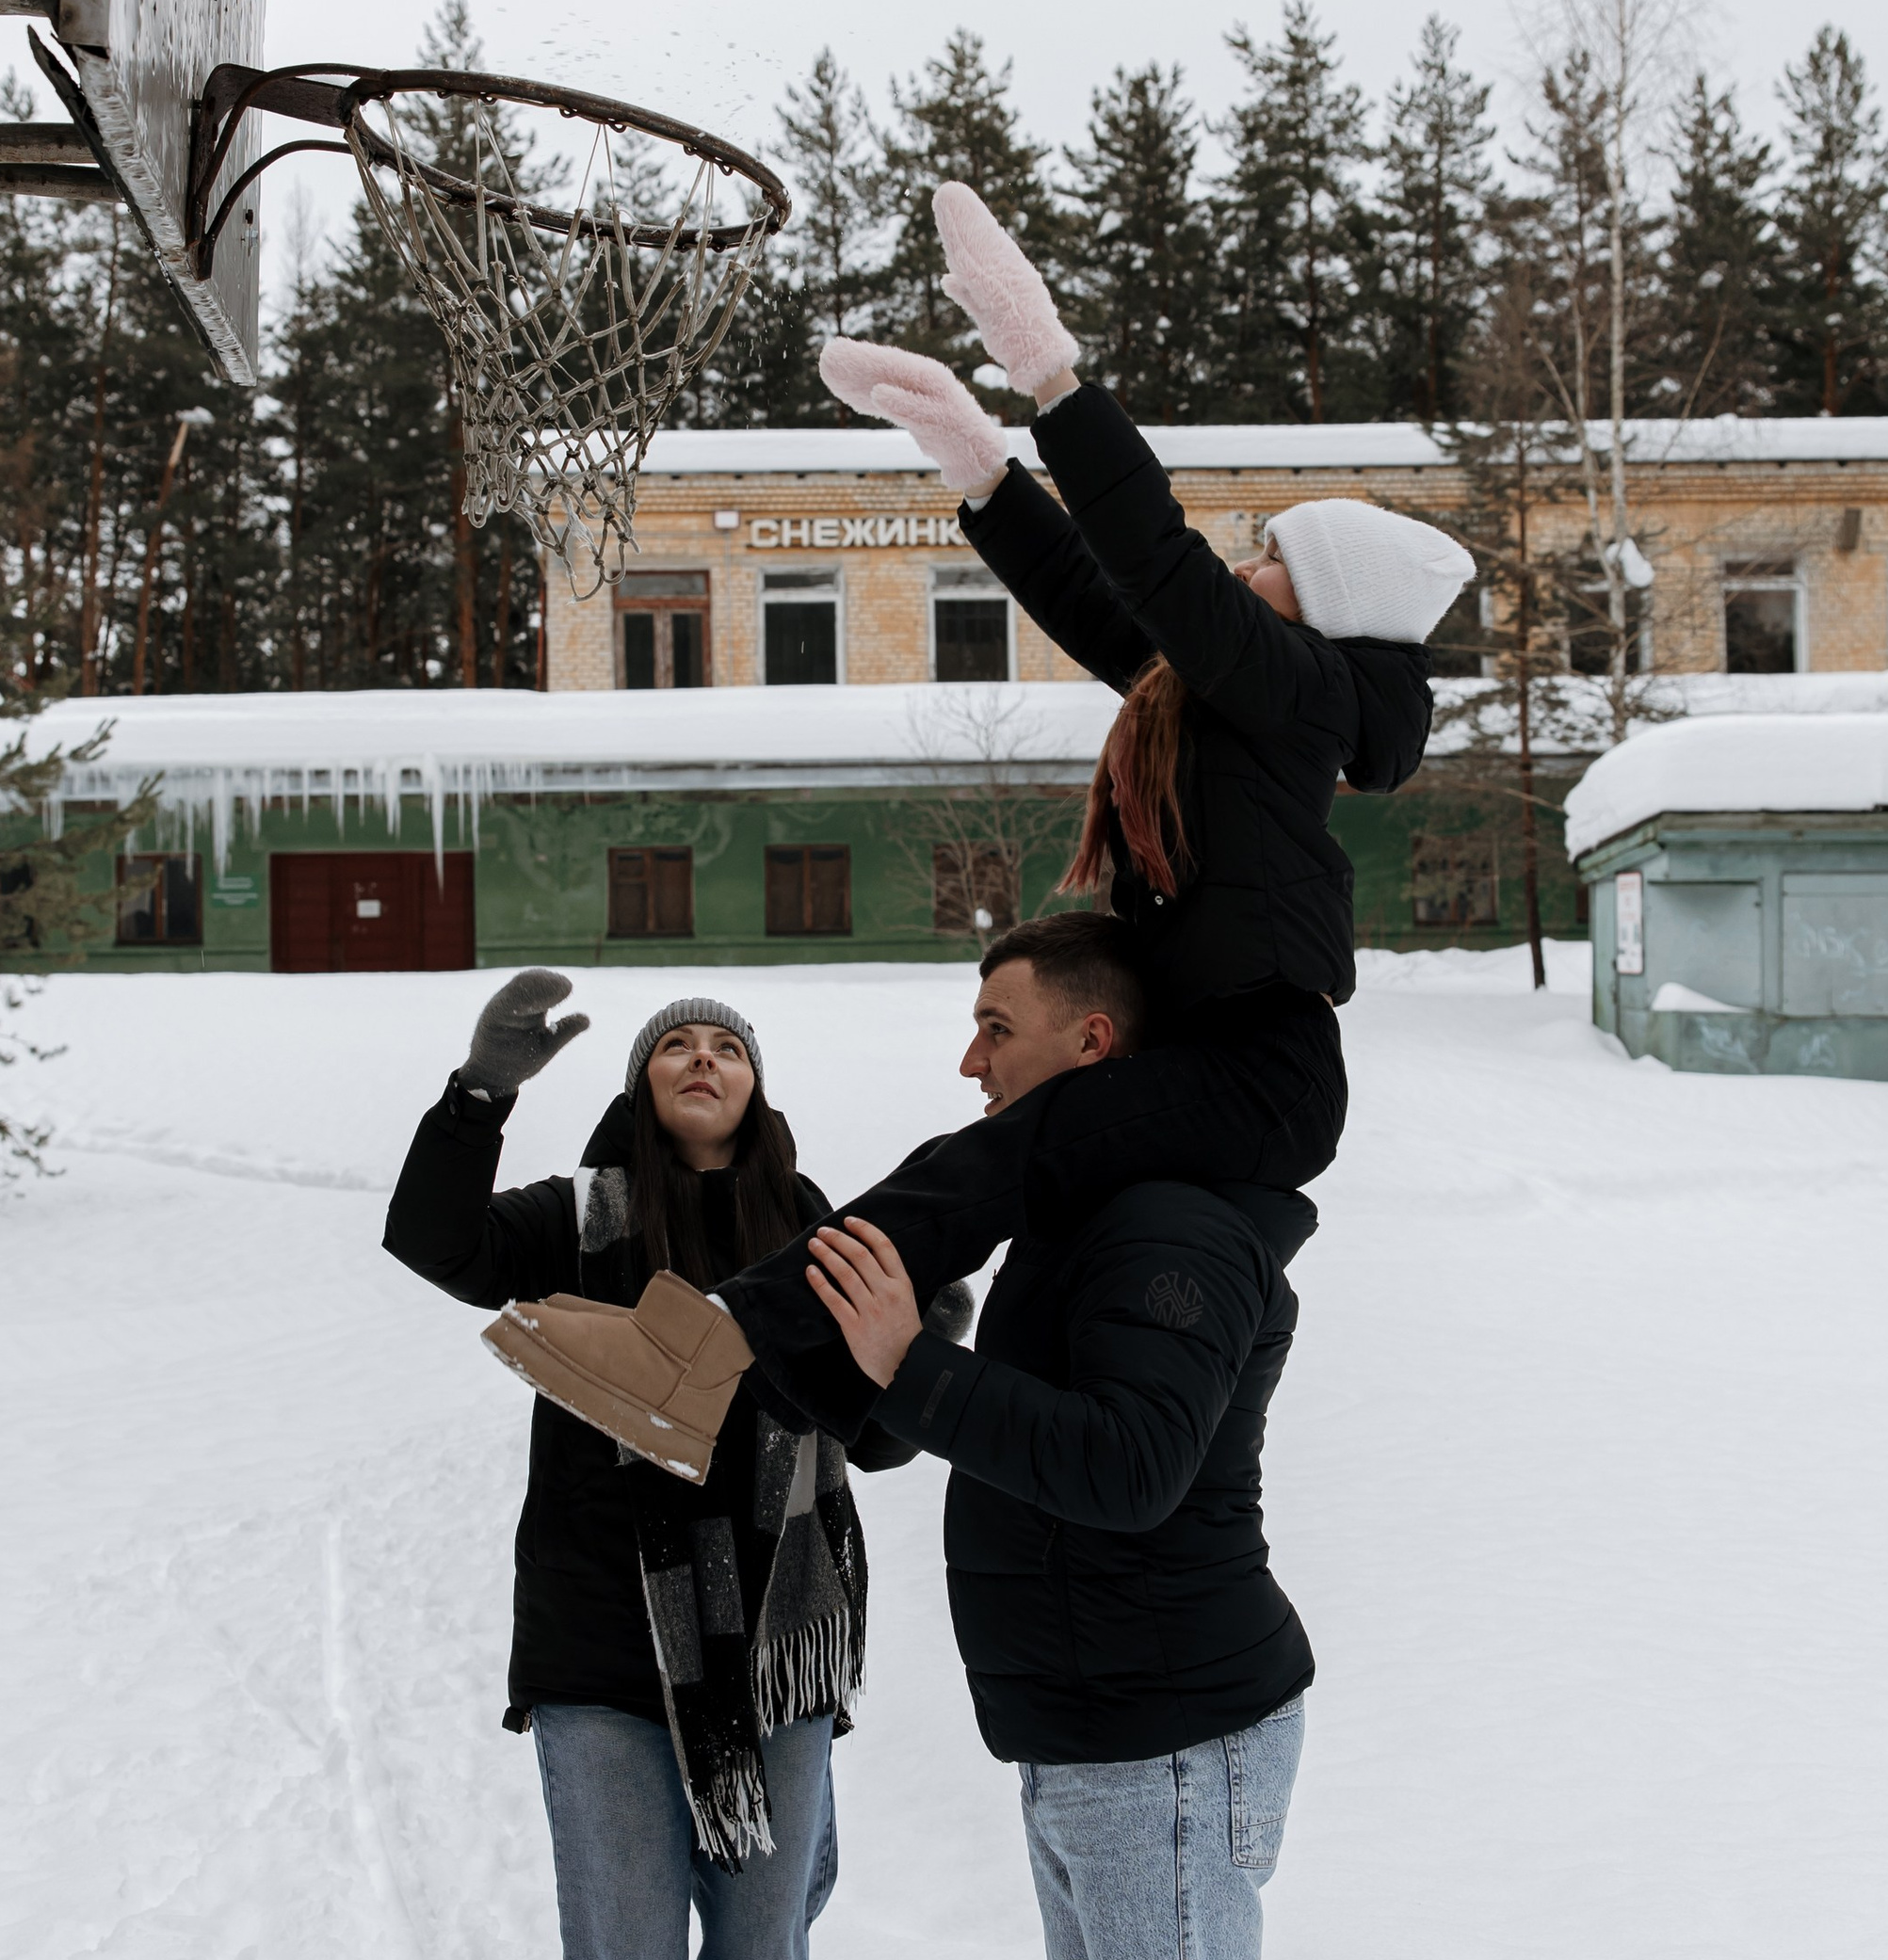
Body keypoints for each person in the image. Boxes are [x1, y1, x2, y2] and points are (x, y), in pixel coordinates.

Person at [483, 181, 1472, 1479]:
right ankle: (769, 1376)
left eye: (1272, 559)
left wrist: (1046, 368)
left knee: (1003, 1153)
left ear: (1324, 608)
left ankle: (710, 1356)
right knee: (984, 1161)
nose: (1244, 566)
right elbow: (1093, 593)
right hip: (1222, 1061)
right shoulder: (1226, 699)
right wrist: (979, 462)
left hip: (1261, 1073)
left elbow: (1157, 560)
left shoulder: (1299, 693)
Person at [802, 912, 1316, 1960]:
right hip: (1089, 1726)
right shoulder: (1087, 1216)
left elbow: (1131, 1468)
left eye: (993, 1024)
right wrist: (898, 1371)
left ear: (1089, 1047)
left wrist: (924, 1371)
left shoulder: (1169, 1224)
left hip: (1169, 1729)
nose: (970, 1060)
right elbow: (982, 1418)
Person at [381, 973, 953, 1960]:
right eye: (676, 1049)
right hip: (599, 1640)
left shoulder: (822, 1235)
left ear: (757, 1089)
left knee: (763, 1956)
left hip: (778, 1645)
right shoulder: (582, 1222)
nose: (703, 1061)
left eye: (728, 1048)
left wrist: (929, 1342)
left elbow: (874, 1441)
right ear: (641, 1086)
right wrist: (479, 1095)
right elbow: (430, 1239)